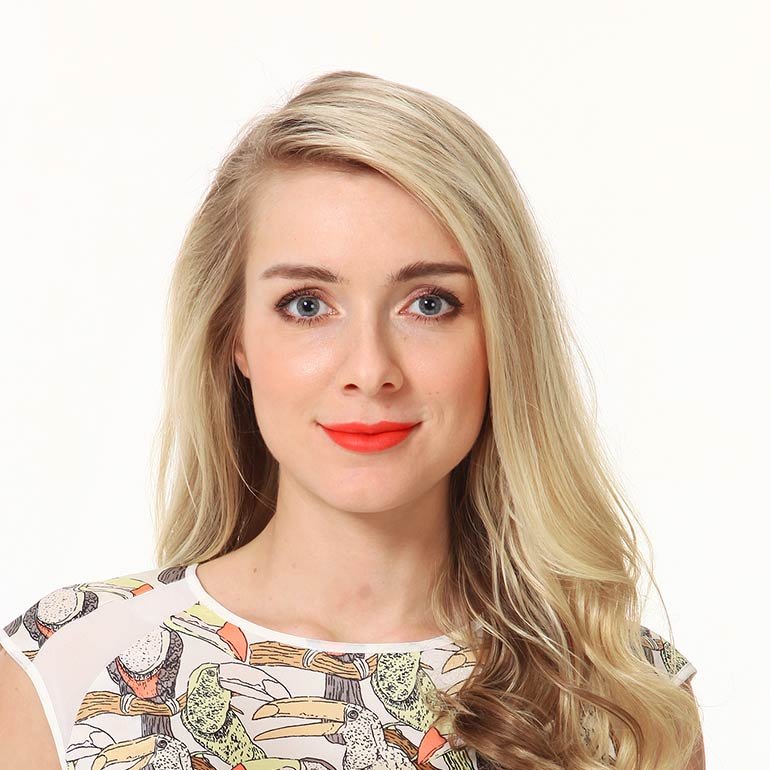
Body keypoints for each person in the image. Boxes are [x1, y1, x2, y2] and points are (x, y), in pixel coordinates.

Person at [0, 70, 705, 770]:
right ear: (234, 336)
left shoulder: (624, 702)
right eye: (307, 305)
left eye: (429, 303)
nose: (370, 370)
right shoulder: (66, 669)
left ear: (502, 337)